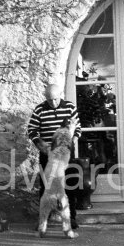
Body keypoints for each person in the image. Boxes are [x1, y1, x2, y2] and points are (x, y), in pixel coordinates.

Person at [28, 83, 82, 229]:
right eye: (50, 99)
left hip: (66, 155)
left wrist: (71, 141)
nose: (53, 102)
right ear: (45, 97)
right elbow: (32, 130)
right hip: (48, 154)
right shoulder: (40, 109)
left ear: (60, 95)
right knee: (46, 187)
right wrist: (41, 145)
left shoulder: (69, 107)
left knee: (70, 184)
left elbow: (78, 129)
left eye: (56, 99)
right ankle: (43, 220)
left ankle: (71, 218)